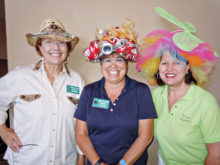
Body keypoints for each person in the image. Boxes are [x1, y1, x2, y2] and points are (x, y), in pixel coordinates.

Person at [136, 7, 220, 165]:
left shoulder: (205, 102)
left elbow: (216, 155)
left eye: (177, 63)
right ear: (157, 67)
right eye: (164, 62)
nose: (169, 68)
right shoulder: (155, 96)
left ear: (188, 67)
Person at [0, 18, 85, 165]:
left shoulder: (76, 80)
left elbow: (81, 122)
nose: (56, 48)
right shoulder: (20, 76)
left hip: (66, 161)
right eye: (48, 42)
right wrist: (3, 130)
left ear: (68, 48)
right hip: (26, 160)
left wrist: (81, 156)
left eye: (61, 42)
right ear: (39, 47)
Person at [74, 18, 157, 165]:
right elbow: (81, 134)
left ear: (127, 63)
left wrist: (123, 164)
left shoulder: (141, 91)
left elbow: (146, 136)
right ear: (100, 64)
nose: (113, 66)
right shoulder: (89, 91)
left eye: (119, 59)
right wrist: (98, 163)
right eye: (107, 60)